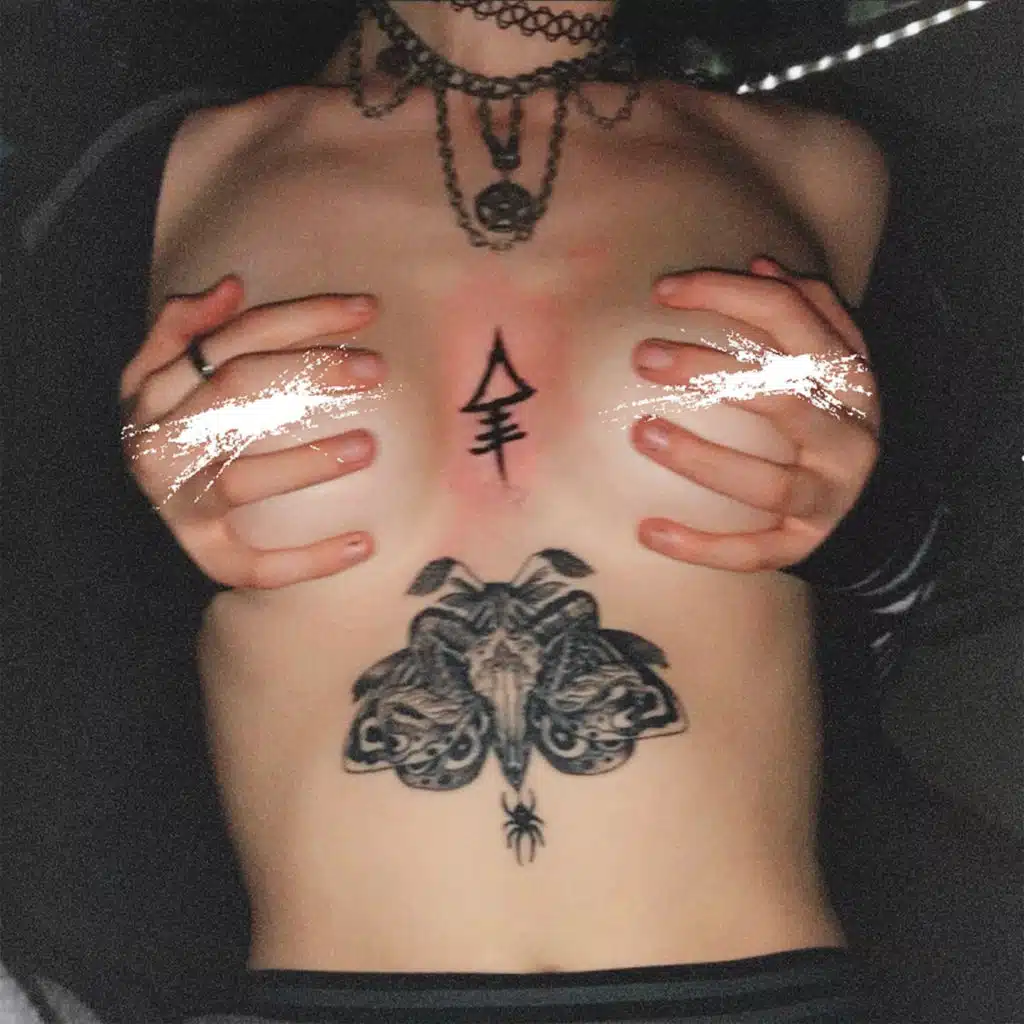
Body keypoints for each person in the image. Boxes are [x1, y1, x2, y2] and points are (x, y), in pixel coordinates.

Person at [7, 1, 965, 1021]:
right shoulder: (164, 173)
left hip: (763, 987)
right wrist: (143, 519)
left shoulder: (822, 162)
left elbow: (931, 580)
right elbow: (47, 623)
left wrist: (859, 510)